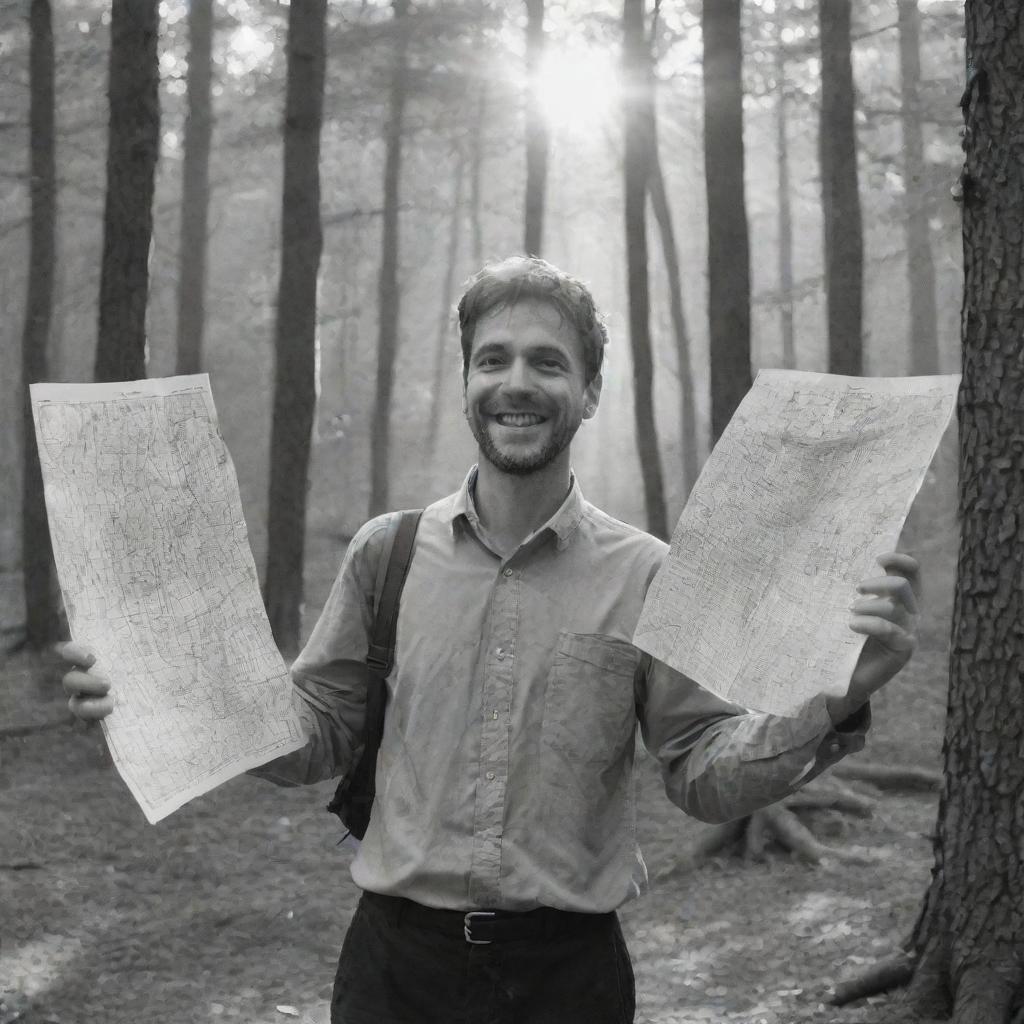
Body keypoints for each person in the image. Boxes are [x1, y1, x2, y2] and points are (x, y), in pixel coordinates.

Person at [61, 256, 921, 1024]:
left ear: (587, 392)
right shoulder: (385, 554)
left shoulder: (651, 574)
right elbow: (316, 734)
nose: (517, 382)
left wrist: (837, 693)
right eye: (493, 359)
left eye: (549, 362)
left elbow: (699, 768)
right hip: (394, 976)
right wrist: (163, 690)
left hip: (568, 982)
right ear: (468, 381)